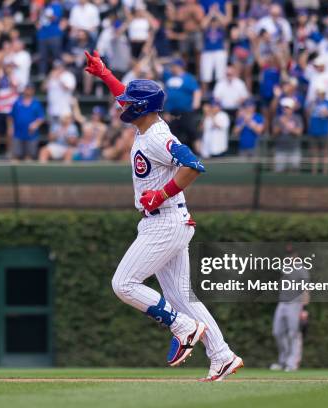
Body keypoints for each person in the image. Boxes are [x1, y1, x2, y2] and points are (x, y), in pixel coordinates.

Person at [84, 49, 244, 382]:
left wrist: (161, 193)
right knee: (181, 297)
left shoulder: (156, 137)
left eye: (130, 102)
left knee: (124, 284)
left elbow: (194, 165)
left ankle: (183, 328)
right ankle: (223, 355)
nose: (124, 104)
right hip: (170, 220)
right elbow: (124, 98)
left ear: (141, 108)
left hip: (164, 220)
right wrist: (106, 75)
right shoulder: (148, 125)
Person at [270, 246, 310, 372]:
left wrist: (303, 309)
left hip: (295, 304)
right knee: (277, 332)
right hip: (282, 303)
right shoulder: (285, 268)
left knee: (293, 333)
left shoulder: (302, 269)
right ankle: (283, 362)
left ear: (296, 256)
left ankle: (292, 363)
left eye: (291, 255)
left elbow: (306, 289)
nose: (288, 257)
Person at [161, 58, 201, 151]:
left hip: (186, 111)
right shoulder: (169, 77)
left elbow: (196, 90)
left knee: (192, 132)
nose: (172, 68)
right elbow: (157, 68)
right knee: (172, 135)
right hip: (171, 112)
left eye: (174, 66)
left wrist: (196, 103)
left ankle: (200, 154)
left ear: (180, 67)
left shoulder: (188, 78)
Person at [8, 84, 45, 161]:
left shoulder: (36, 103)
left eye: (30, 89)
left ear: (33, 91)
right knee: (15, 157)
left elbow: (41, 118)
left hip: (31, 135)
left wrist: (35, 124)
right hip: (17, 134)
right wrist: (10, 128)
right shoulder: (17, 102)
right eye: (27, 89)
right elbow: (11, 117)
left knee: (29, 158)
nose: (28, 91)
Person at [0, 62, 19, 159]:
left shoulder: (15, 77)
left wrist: (10, 76)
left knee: (9, 132)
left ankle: (8, 151)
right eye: (6, 67)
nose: (8, 69)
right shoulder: (0, 77)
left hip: (10, 110)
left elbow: (15, 87)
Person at [306, 85, 328, 175]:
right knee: (314, 153)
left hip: (325, 130)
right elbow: (307, 113)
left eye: (321, 93)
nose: (319, 95)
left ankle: (325, 173)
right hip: (313, 130)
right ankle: (314, 173)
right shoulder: (312, 102)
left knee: (326, 153)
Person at [272, 98, 303, 173]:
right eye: (285, 108)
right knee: (279, 171)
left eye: (288, 108)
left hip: (294, 148)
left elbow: (299, 132)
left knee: (294, 171)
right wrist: (282, 123)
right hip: (280, 149)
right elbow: (274, 132)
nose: (286, 110)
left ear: (292, 109)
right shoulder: (277, 118)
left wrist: (286, 124)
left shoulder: (297, 118)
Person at [44, 60, 76, 125]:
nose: (57, 69)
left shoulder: (68, 76)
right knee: (53, 133)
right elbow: (44, 88)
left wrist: (59, 78)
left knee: (65, 133)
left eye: (59, 67)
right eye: (56, 67)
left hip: (64, 110)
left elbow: (69, 88)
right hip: (52, 110)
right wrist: (49, 78)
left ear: (63, 67)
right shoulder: (51, 76)